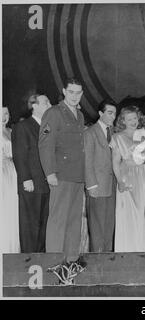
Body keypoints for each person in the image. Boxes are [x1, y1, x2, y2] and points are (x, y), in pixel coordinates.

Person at [39, 77, 85, 262]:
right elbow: (45, 145)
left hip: (77, 175)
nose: (75, 96)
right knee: (58, 220)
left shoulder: (80, 115)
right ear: (64, 92)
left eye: (78, 93)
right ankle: (54, 261)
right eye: (71, 92)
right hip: (61, 175)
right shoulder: (54, 113)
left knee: (74, 221)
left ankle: (71, 260)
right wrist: (50, 172)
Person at [11, 94, 51, 253]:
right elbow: (20, 155)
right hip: (31, 183)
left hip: (46, 183)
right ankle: (28, 259)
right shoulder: (23, 127)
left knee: (43, 223)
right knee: (30, 224)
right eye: (46, 102)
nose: (50, 104)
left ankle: (40, 257)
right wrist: (26, 179)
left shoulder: (48, 126)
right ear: (34, 105)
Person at [110, 106, 145, 252]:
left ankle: (140, 249)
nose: (133, 121)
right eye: (129, 119)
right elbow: (115, 162)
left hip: (143, 176)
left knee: (142, 213)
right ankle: (125, 250)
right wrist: (120, 181)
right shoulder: (118, 137)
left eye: (135, 118)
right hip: (126, 175)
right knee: (126, 214)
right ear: (123, 121)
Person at [84, 98, 117, 252]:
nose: (113, 116)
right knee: (97, 227)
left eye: (114, 113)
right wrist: (91, 185)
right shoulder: (90, 133)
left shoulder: (113, 132)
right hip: (97, 185)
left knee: (109, 225)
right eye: (109, 113)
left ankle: (107, 260)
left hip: (111, 185)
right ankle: (97, 262)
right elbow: (87, 161)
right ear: (100, 113)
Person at [2, 106, 20, 253]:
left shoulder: (11, 131)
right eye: (1, 113)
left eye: (6, 113)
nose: (4, 116)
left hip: (13, 172)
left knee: (13, 209)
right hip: (2, 174)